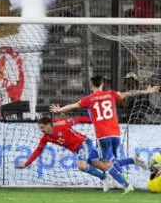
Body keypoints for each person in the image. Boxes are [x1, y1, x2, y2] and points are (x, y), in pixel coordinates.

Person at [50, 75, 159, 193]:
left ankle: (127, 185)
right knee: (112, 161)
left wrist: (59, 110)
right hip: (116, 134)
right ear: (102, 84)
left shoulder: (89, 99)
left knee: (106, 164)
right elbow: (128, 93)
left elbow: (73, 106)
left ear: (91, 85)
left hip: (103, 136)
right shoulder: (110, 94)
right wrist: (146, 91)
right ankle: (133, 161)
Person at [16, 116, 145, 192]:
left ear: (49, 125)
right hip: (78, 149)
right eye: (40, 128)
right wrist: (27, 163)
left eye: (43, 128)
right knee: (105, 166)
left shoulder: (61, 123)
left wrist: (94, 120)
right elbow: (38, 151)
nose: (41, 130)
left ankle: (110, 180)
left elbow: (77, 119)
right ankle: (132, 160)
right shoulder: (45, 138)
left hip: (84, 143)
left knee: (82, 166)